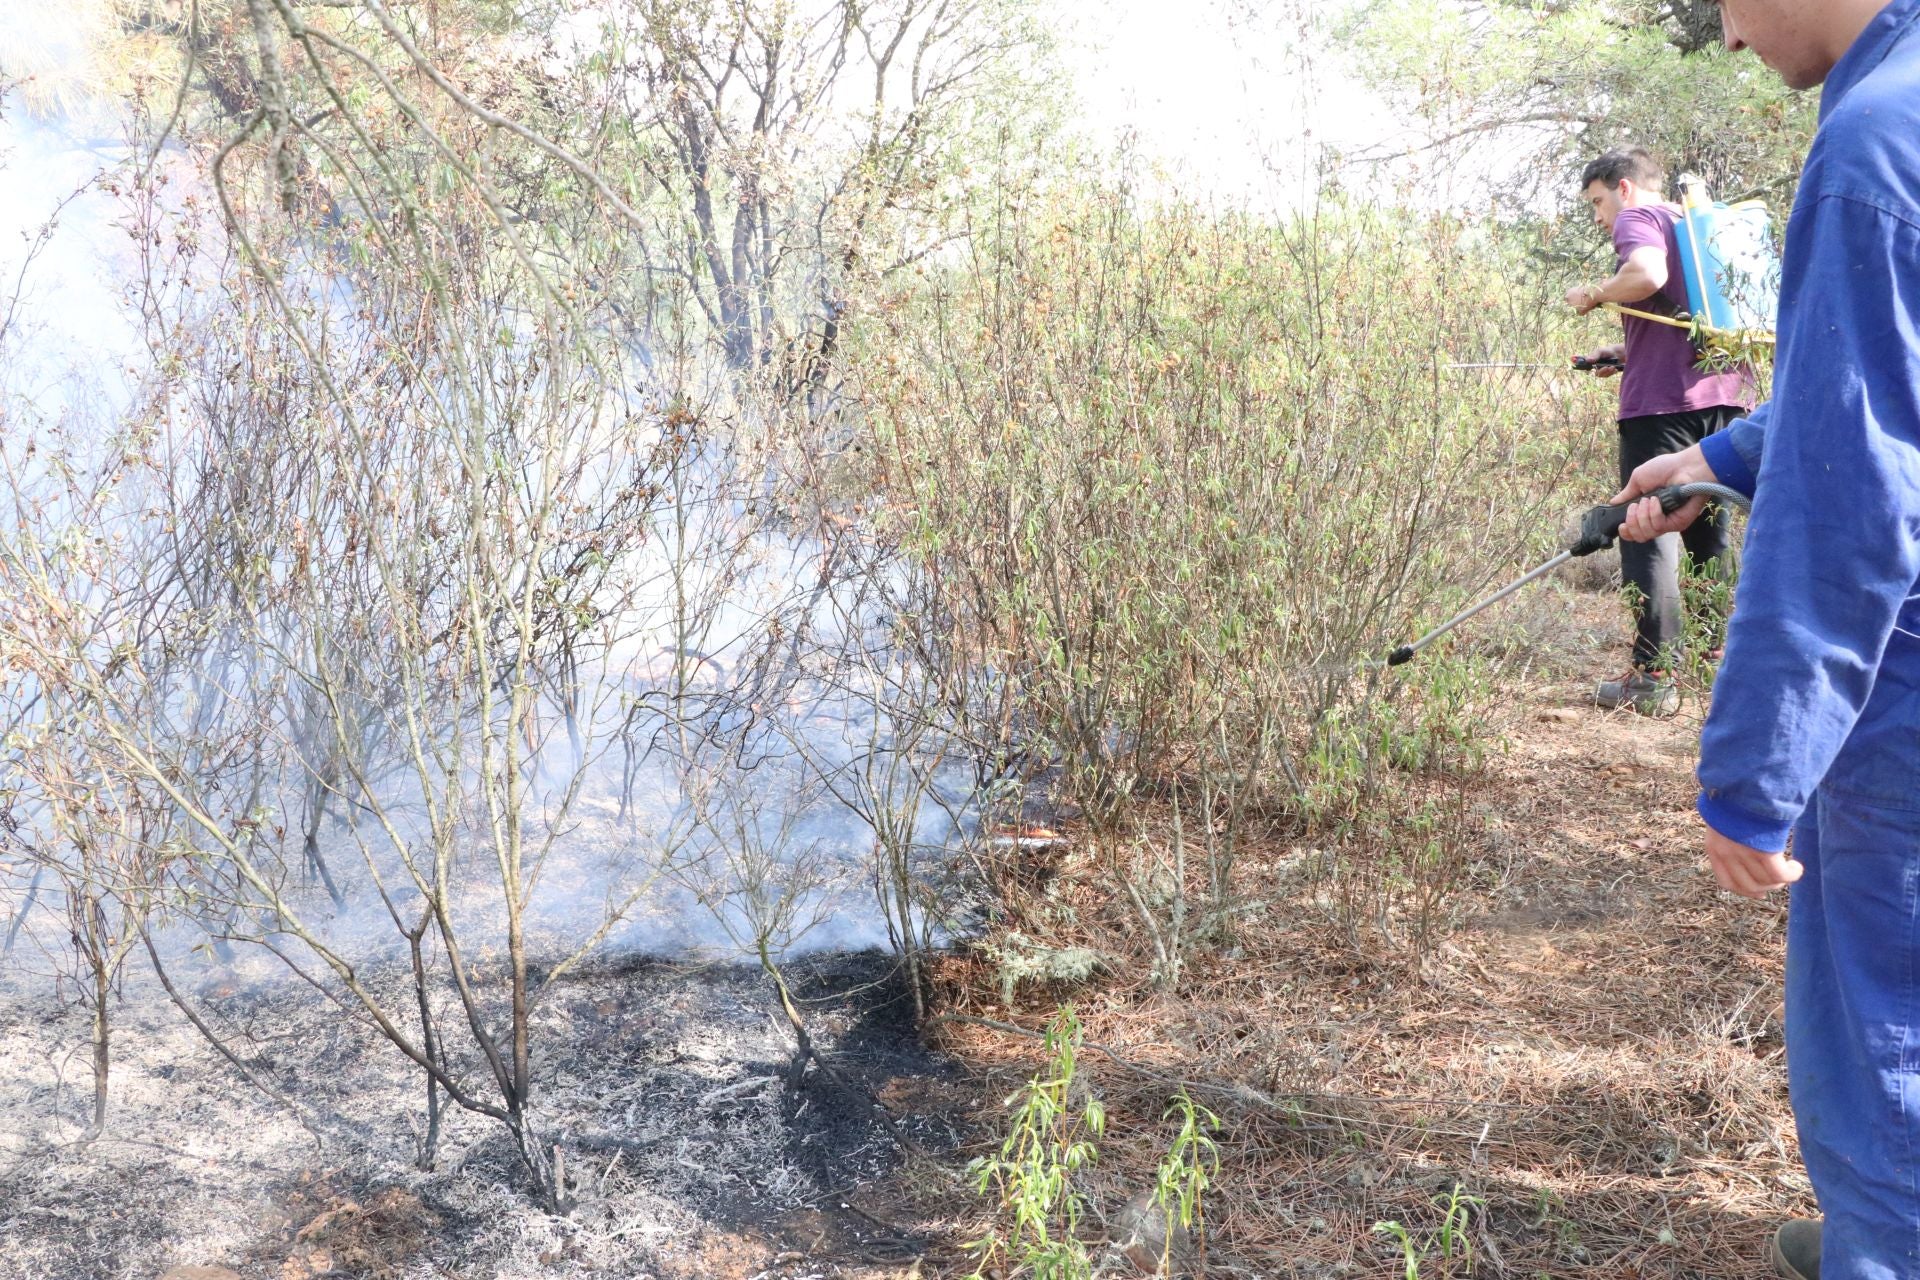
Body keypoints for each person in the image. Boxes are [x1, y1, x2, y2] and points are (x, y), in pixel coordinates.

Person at [1611, 1, 1920, 1276]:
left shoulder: (1875, 140)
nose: (1728, 35)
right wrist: (1733, 449)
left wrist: (1754, 771)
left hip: (1902, 691)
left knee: (1881, 1012)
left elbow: (1854, 501)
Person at [1565, 147, 1752, 715]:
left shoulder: (1639, 218)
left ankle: (1652, 677)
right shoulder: (1696, 226)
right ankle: (1709, 662)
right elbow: (1688, 324)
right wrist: (1627, 354)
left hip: (1661, 410)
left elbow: (1647, 275)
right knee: (1708, 532)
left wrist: (1595, 292)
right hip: (1728, 401)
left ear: (1623, 188)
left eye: (1598, 202)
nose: (1601, 219)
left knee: (1646, 528)